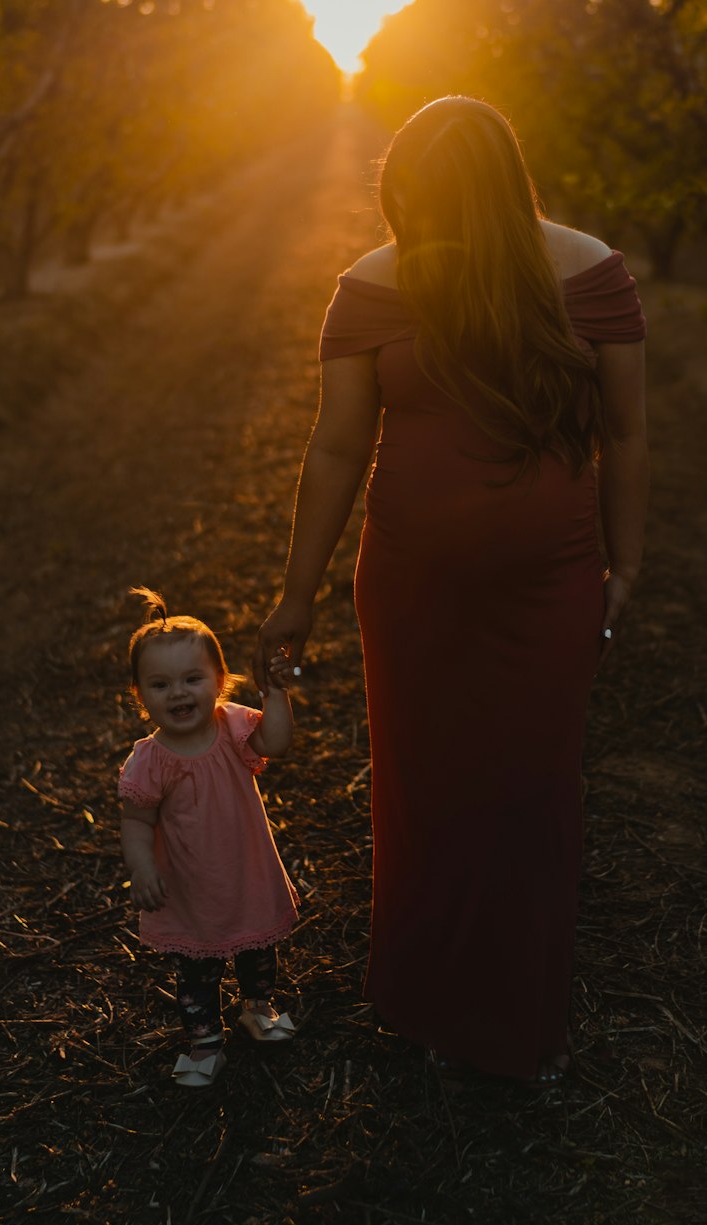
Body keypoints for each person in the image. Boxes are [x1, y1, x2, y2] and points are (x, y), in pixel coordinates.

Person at [254, 97, 647, 1082]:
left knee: (531, 786)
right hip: (411, 587)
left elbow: (626, 431)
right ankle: (432, 1001)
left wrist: (624, 558)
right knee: (427, 786)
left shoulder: (587, 273)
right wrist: (296, 592)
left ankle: (519, 1015)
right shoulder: (372, 286)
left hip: (547, 583)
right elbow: (339, 442)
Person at [120, 587, 300, 1088]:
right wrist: (143, 868)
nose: (178, 693)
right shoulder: (150, 760)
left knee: (257, 951)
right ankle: (204, 1041)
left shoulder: (233, 727)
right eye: (160, 684)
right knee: (196, 972)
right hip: (189, 886)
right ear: (139, 694)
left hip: (244, 872)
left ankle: (257, 1008)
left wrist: (276, 694)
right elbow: (136, 821)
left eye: (192, 679)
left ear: (220, 682)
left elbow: (279, 742)